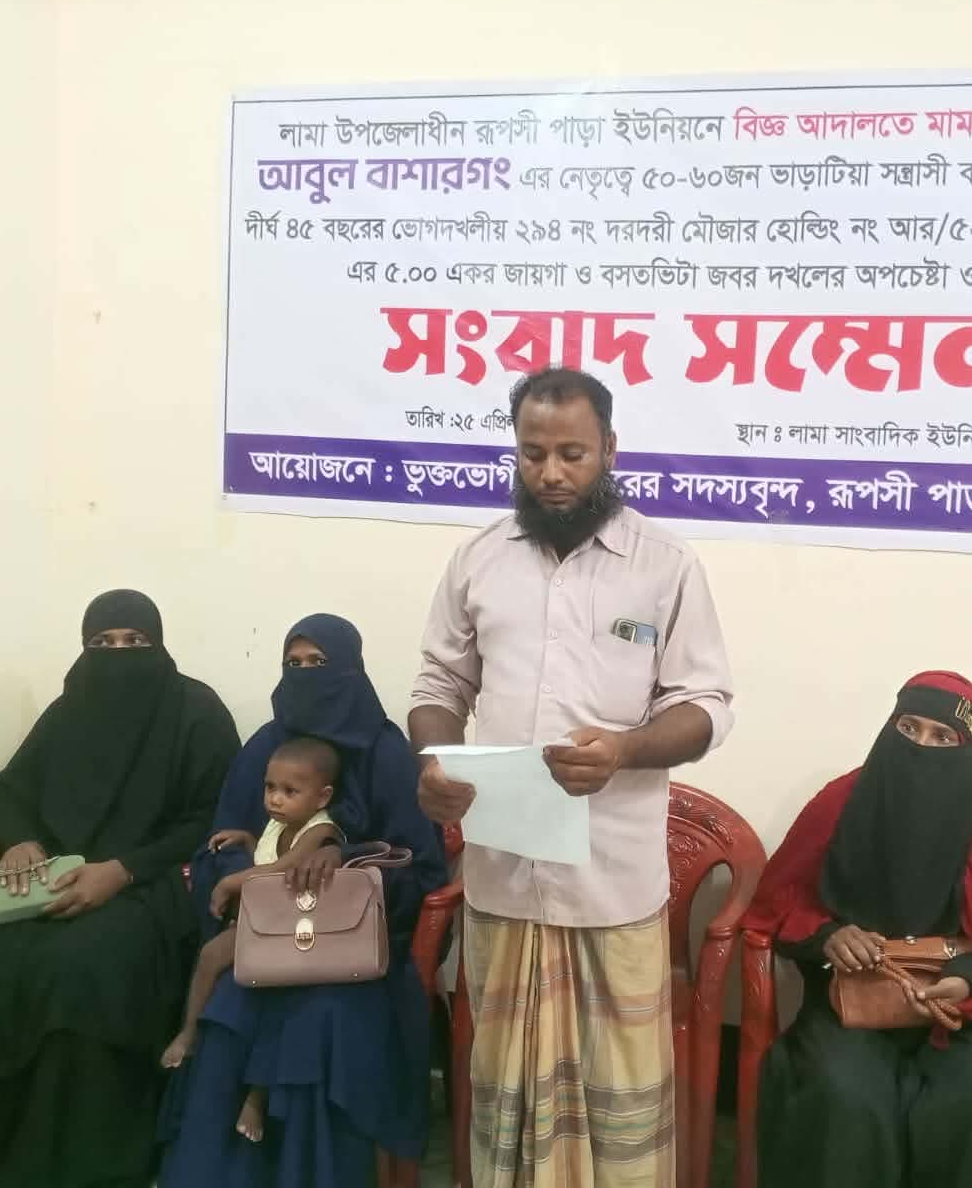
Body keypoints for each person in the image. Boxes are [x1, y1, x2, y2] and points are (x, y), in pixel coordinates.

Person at [410, 365, 734, 1187]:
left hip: (610, 883)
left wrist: (624, 750)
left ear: (610, 450)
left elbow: (705, 705)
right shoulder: (479, 559)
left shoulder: (664, 565)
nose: (550, 473)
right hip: (505, 877)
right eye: (533, 454)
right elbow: (439, 685)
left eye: (572, 455)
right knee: (506, 1103)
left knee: (619, 1102)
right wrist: (435, 758)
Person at [0, 589, 242, 1188]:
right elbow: (11, 789)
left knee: (79, 970)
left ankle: (49, 1162)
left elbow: (211, 816)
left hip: (147, 882)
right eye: (102, 642)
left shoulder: (196, 712)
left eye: (134, 641)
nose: (117, 654)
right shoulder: (69, 708)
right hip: (47, 872)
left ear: (158, 644)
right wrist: (20, 841)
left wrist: (122, 869)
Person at [743, 670, 972, 1188]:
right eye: (908, 728)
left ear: (969, 749)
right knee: (844, 1094)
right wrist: (830, 935)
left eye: (942, 737)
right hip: (855, 1000)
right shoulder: (844, 800)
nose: (920, 746)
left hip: (964, 1012)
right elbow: (781, 900)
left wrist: (967, 978)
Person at [159, 613, 447, 1188]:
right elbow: (221, 844)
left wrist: (344, 860)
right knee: (229, 1006)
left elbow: (421, 863)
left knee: (321, 1018)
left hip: (352, 954)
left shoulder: (386, 752)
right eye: (294, 663)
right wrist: (254, 877)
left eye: (319, 663)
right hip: (265, 939)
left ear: (351, 669)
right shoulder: (267, 749)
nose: (305, 674)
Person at [159, 736, 344, 1131]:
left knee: (277, 1000)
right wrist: (247, 841)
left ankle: (257, 1099)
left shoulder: (321, 830)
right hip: (267, 923)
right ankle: (189, 1032)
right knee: (211, 954)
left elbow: (283, 868)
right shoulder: (278, 824)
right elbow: (269, 855)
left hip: (300, 930)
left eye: (290, 791)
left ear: (322, 796)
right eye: (270, 787)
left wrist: (231, 882)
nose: (275, 799)